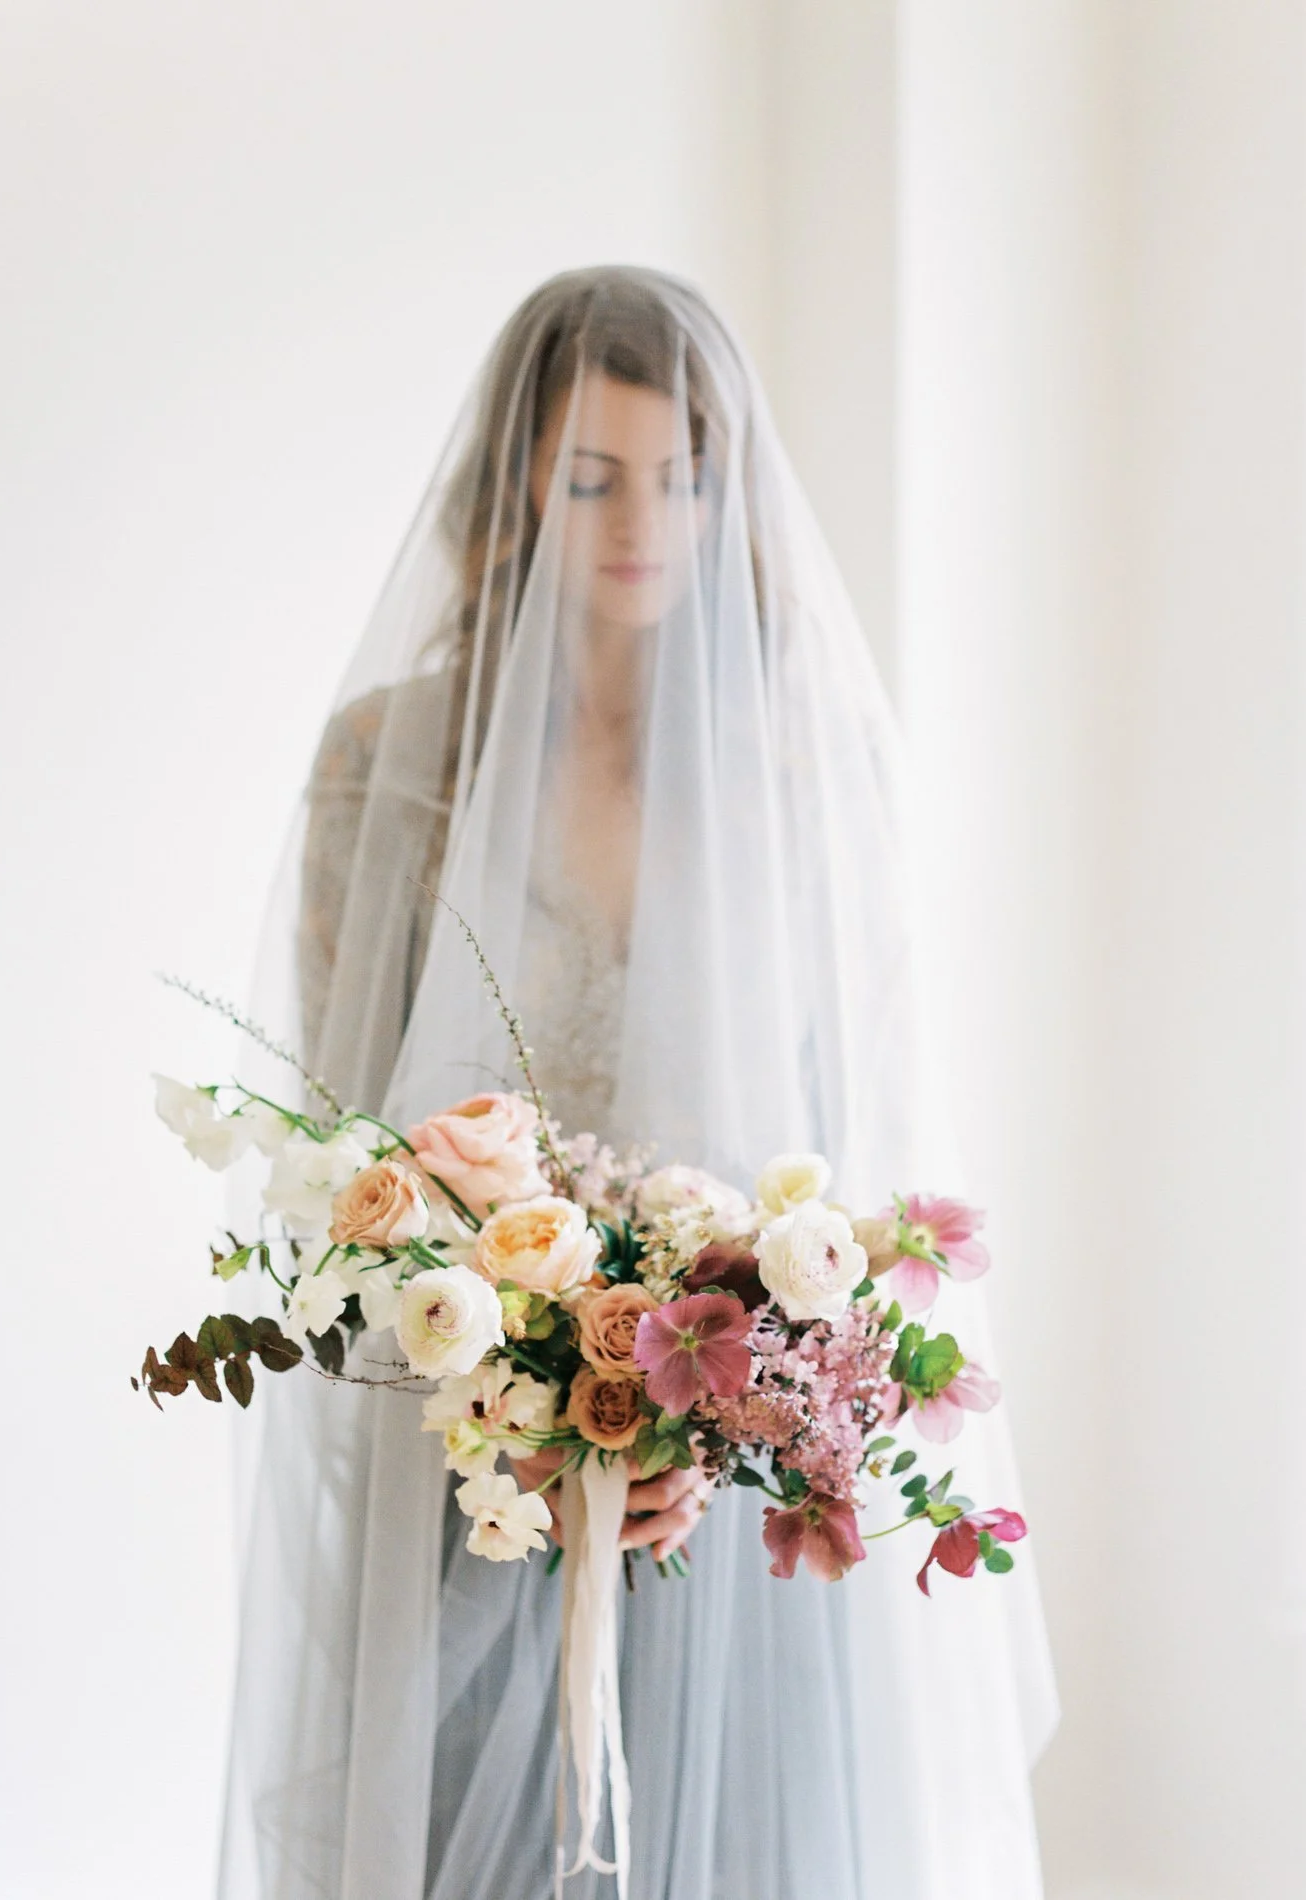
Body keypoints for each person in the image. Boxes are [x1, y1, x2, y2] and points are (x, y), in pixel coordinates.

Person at [219, 265, 1057, 1900]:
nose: (640, 524)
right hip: (480, 1456)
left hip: (739, 1465)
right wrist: (520, 1396)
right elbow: (344, 1144)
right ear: (520, 481)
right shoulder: (395, 761)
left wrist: (731, 1396)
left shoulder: (803, 768)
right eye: (592, 476)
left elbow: (861, 1126)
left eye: (681, 478)